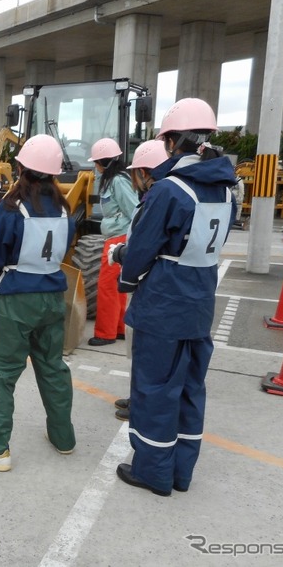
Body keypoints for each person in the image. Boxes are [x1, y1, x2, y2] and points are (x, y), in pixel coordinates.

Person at [111, 98, 237, 496]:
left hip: (164, 301)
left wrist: (123, 267)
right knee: (189, 387)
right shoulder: (226, 189)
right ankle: (182, 471)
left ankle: (153, 471)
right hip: (201, 300)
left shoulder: (169, 190)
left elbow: (143, 248)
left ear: (173, 141)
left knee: (153, 388)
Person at [0, 134, 76, 472]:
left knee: (0, 372)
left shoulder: (12, 208)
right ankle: (63, 437)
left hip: (17, 297)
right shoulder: (64, 209)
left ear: (23, 167)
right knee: (53, 367)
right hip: (54, 295)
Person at [108, 139, 170, 422]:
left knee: (144, 350)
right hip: (150, 284)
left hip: (148, 284)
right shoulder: (154, 199)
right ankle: (138, 397)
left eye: (136, 173)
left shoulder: (157, 201)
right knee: (137, 348)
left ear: (145, 173)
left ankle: (142, 404)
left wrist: (123, 258)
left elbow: (147, 246)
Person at [87, 137, 139, 346]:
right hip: (117, 238)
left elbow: (134, 209)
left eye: (97, 163)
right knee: (117, 287)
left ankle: (105, 333)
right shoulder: (114, 179)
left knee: (107, 287)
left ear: (106, 163)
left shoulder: (118, 181)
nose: (95, 167)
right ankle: (118, 328)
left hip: (118, 239)